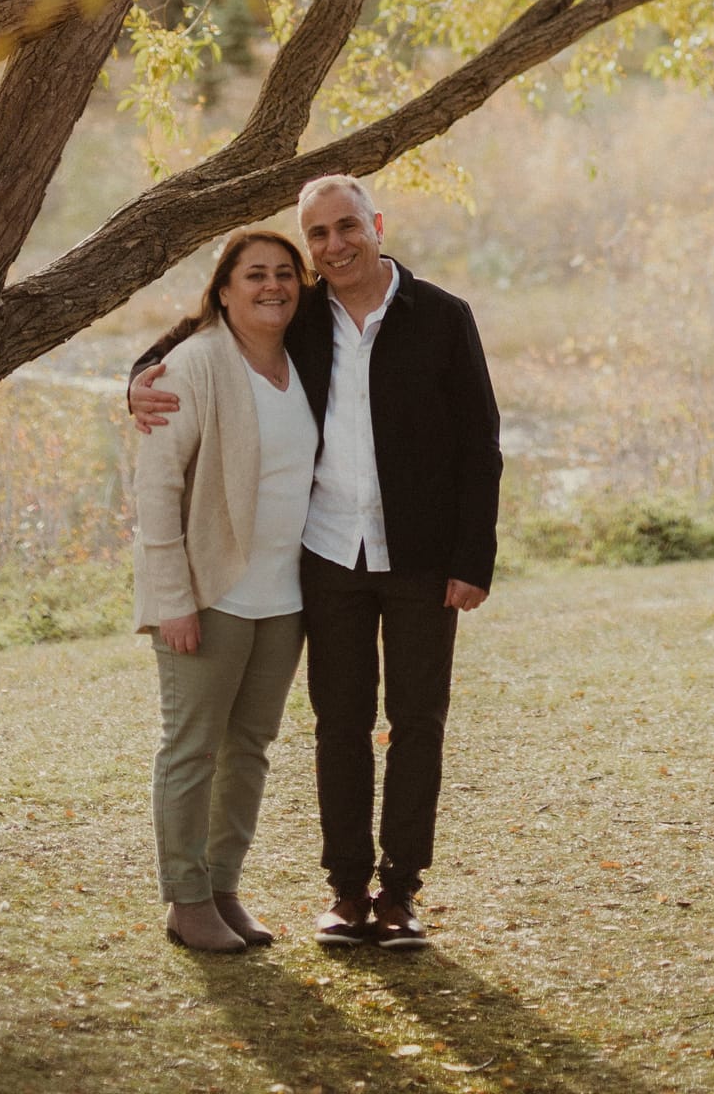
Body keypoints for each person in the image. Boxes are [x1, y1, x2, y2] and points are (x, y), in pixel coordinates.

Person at [130, 174, 501, 952]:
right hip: (326, 557)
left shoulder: (441, 318)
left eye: (346, 228)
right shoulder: (299, 319)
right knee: (338, 725)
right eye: (319, 235)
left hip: (422, 560)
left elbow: (480, 447)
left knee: (418, 723)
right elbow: (198, 339)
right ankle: (345, 893)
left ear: (375, 225)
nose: (334, 245)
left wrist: (473, 557)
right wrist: (135, 380)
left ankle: (399, 892)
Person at [133, 228, 318, 955]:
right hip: (211, 593)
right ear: (223, 290)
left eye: (284, 274)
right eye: (255, 275)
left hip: (284, 597)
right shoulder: (197, 363)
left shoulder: (305, 359)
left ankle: (222, 885)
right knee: (192, 749)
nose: (272, 286)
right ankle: (185, 899)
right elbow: (155, 485)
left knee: (250, 748)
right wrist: (172, 596)